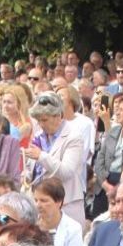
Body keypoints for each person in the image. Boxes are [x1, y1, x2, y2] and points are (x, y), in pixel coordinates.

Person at [26, 93, 86, 224]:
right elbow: (32, 168)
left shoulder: (74, 137)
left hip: (65, 204)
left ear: (58, 116)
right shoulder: (39, 136)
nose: (41, 124)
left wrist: (41, 156)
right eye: (39, 120)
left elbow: (66, 172)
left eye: (45, 120)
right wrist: (26, 175)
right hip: (40, 205)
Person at [32, 176, 84, 246]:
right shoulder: (31, 224)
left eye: (43, 201)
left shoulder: (73, 228)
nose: (38, 205)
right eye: (36, 200)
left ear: (59, 202)